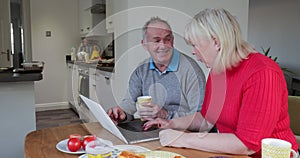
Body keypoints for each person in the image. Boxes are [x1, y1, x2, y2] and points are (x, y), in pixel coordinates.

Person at [143, 8, 299, 157]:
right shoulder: (218, 70)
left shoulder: (263, 72)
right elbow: (206, 119)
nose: (193, 51)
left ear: (216, 42)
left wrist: (181, 139)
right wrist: (171, 123)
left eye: (195, 45)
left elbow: (247, 145)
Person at [107, 17, 206, 124]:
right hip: (154, 129)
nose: (162, 46)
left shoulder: (191, 70)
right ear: (144, 44)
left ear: (172, 41)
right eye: (156, 40)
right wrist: (121, 113)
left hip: (184, 133)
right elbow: (129, 103)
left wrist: (166, 115)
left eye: (167, 39)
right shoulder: (141, 70)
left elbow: (201, 117)